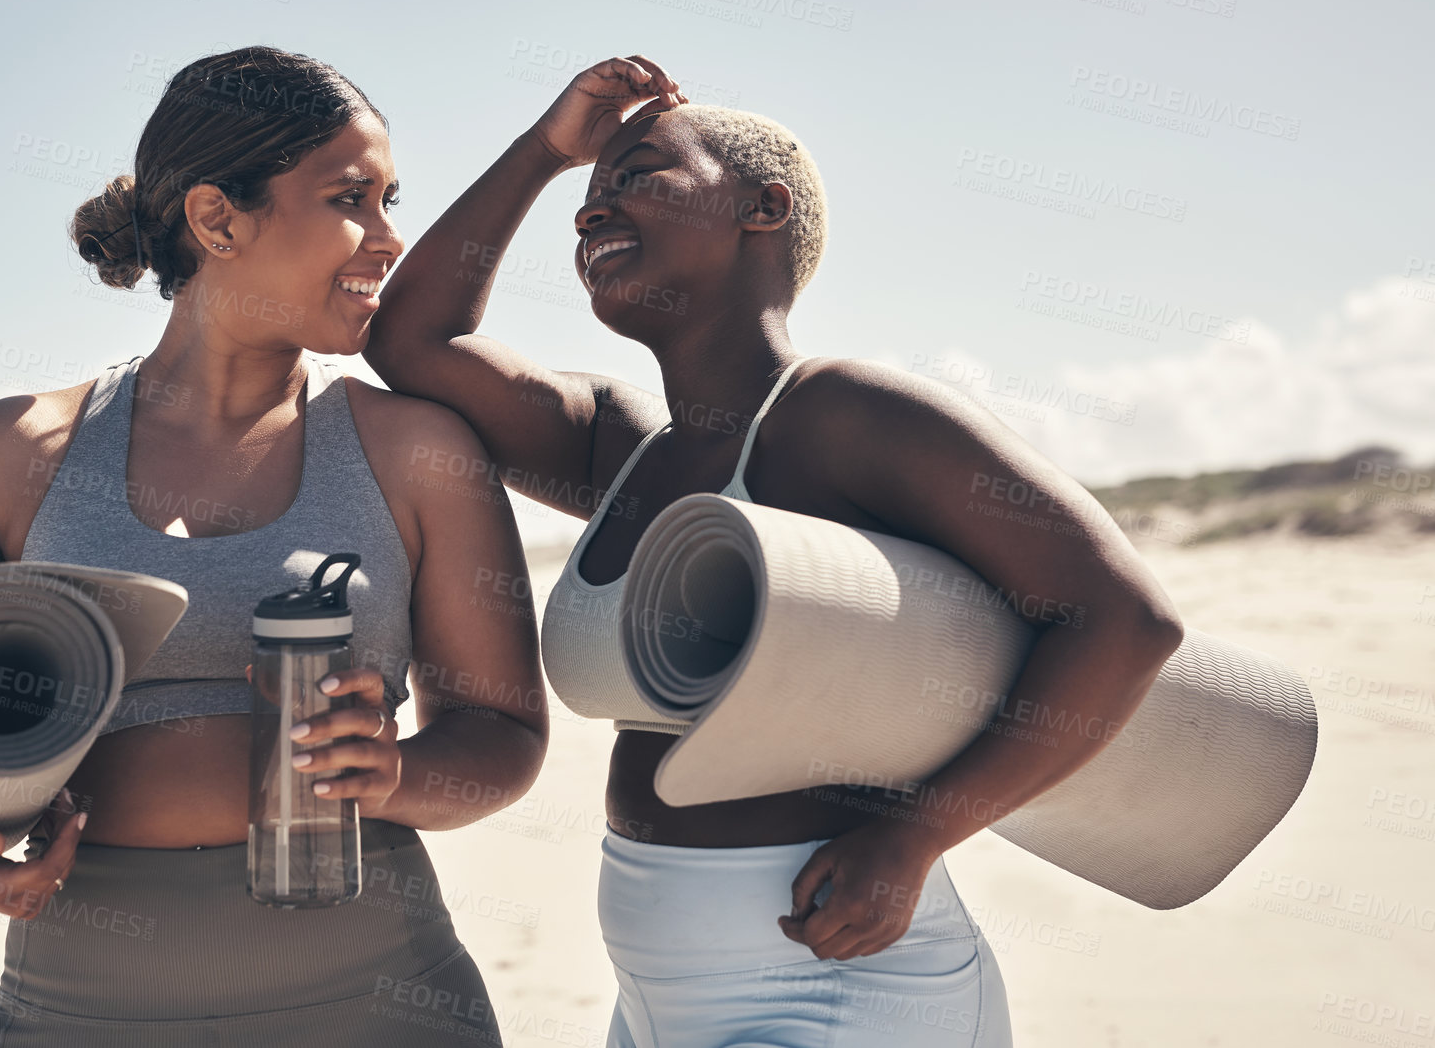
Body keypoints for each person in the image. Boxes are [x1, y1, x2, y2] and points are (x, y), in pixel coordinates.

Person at [363, 54, 1186, 1047]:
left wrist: (922, 832)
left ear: (762, 206)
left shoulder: (844, 415)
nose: (589, 213)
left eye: (637, 175)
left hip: (843, 979)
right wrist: (545, 150)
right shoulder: (620, 448)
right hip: (655, 996)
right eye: (585, 197)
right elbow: (409, 343)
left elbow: (1124, 617)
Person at [0, 45, 547, 1046]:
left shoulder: (417, 453)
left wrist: (396, 773)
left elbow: (503, 733)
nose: (389, 239)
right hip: (78, 1009)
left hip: (379, 998)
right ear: (218, 218)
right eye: (352, 198)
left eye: (392, 198)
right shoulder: (22, 451)